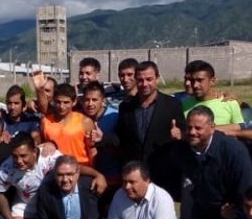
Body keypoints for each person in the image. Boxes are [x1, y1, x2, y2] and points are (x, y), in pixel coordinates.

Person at [92, 61, 186, 199]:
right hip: (136, 173)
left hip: (163, 171)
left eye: (149, 79)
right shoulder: (126, 106)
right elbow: (121, 137)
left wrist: (180, 134)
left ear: (157, 78)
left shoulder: (172, 104)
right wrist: (103, 138)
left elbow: (183, 130)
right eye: (140, 80)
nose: (145, 84)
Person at [34, 80, 95, 166]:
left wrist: (93, 173)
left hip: (80, 170)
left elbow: (92, 150)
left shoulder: (85, 122)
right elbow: (41, 146)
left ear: (74, 102)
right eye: (58, 102)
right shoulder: (45, 121)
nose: (61, 106)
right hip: (53, 171)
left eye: (66, 102)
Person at [80, 81, 121, 190]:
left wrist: (103, 140)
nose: (90, 104)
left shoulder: (115, 117)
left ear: (103, 101)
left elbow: (122, 144)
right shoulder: (79, 117)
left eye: (94, 100)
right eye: (87, 100)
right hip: (86, 176)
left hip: (112, 177)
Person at [181, 60, 245, 126]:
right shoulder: (183, 105)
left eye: (200, 80)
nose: (195, 85)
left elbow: (241, 130)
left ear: (212, 81)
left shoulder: (229, 102)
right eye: (192, 80)